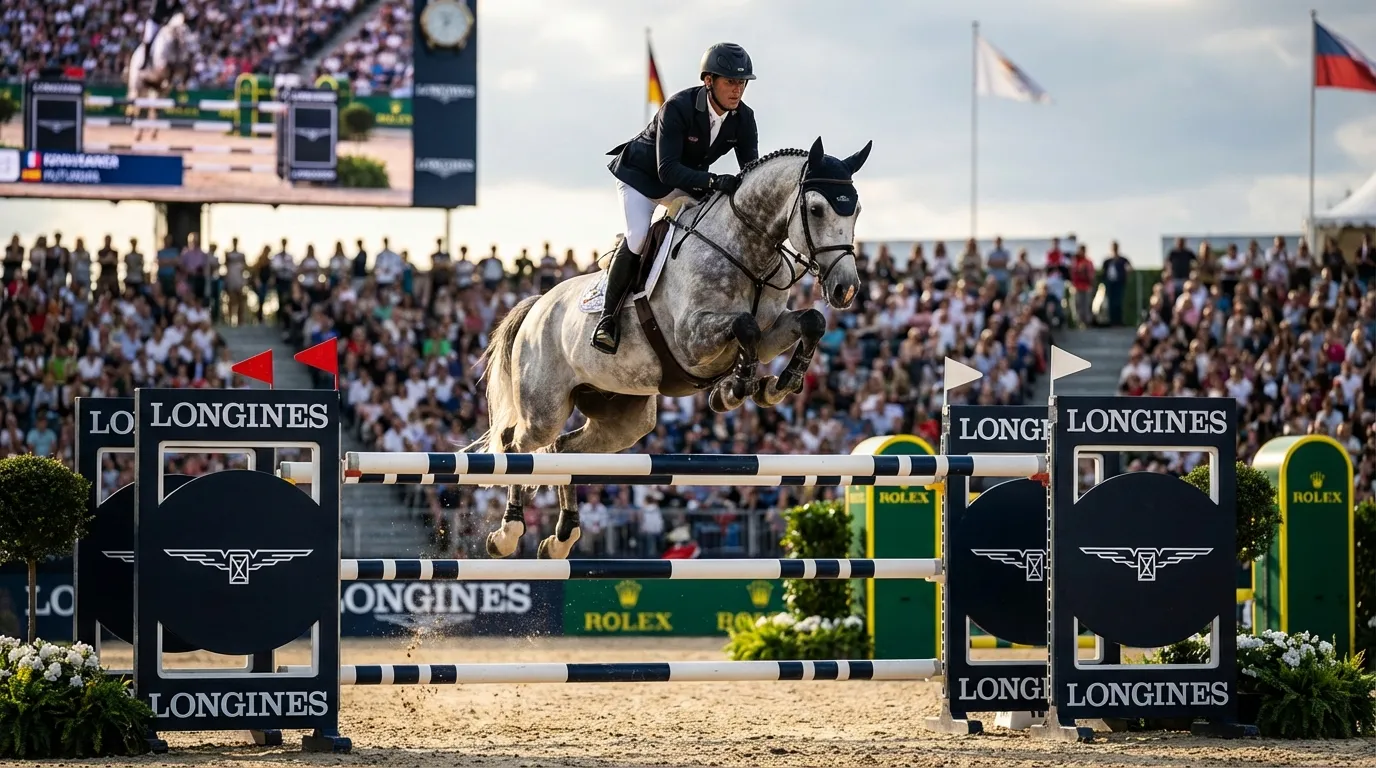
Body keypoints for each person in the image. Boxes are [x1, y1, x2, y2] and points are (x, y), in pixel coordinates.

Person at [592, 42, 761, 354]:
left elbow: (750, 170)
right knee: (639, 237)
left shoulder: (743, 118)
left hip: (686, 181)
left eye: (741, 83)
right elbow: (667, 170)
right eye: (730, 82)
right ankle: (607, 319)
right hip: (641, 178)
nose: (737, 90)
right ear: (708, 81)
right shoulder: (678, 107)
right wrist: (713, 180)